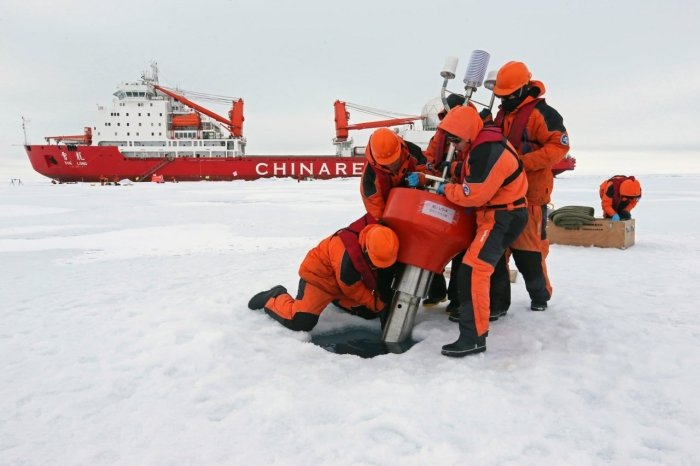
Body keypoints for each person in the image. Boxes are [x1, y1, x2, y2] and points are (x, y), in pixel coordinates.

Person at [410, 105, 528, 356]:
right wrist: (426, 178)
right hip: (495, 214)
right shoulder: (480, 146)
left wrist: (446, 191)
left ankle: (473, 338)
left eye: (456, 139)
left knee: (473, 271)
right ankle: (482, 321)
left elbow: (472, 193)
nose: (454, 145)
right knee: (479, 268)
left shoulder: (488, 150)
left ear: (467, 133)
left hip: (502, 216)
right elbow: (466, 171)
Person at [491, 60, 570, 312]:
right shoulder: (502, 113)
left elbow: (560, 147)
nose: (505, 101)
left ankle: (540, 297)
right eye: (501, 97)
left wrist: (521, 163)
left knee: (530, 254)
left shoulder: (544, 114)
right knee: (495, 255)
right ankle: (497, 304)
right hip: (501, 197)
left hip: (532, 197)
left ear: (524, 88)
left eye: (509, 95)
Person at [247, 224, 399, 332]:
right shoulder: (346, 255)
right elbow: (352, 287)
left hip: (341, 286)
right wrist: (379, 305)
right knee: (301, 322)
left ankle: (336, 300)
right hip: (319, 280)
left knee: (369, 313)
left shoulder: (381, 241)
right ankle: (274, 296)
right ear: (366, 249)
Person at [360, 127, 425, 222]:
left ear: (399, 148)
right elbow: (377, 213)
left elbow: (432, 175)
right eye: (386, 163)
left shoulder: (414, 152)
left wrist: (421, 179)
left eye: (394, 160)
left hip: (418, 208)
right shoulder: (369, 179)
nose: (392, 165)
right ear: (376, 159)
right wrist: (385, 225)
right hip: (390, 213)